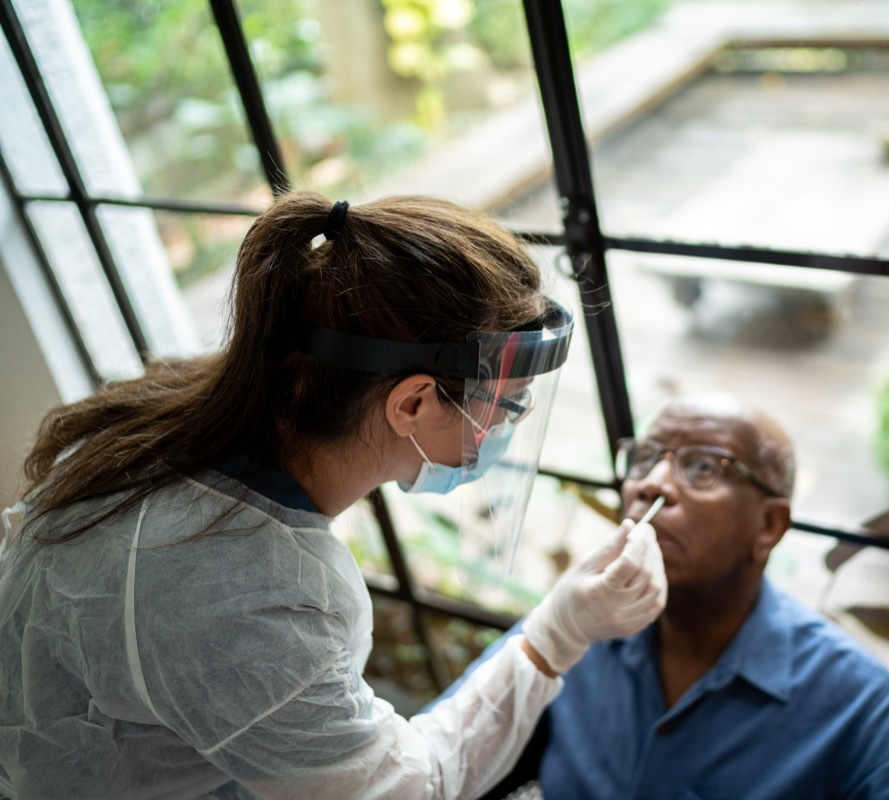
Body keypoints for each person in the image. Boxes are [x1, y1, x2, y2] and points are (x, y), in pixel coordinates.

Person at [0, 192, 666, 800]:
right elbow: (412, 790)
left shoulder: (175, 414)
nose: (504, 430)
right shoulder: (248, 596)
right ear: (412, 401)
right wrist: (559, 631)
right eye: (509, 408)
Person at [433, 392, 889, 800]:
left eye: (702, 468)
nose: (652, 485)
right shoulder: (577, 626)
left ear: (769, 525)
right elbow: (442, 765)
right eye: (645, 460)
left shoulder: (859, 704)